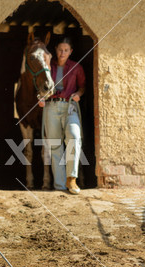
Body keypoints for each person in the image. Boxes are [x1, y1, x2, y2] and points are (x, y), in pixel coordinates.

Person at [40, 37, 85, 194]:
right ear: (55, 50)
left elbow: (82, 87)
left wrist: (78, 94)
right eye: (60, 50)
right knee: (55, 145)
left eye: (66, 50)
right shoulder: (48, 67)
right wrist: (40, 97)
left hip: (69, 105)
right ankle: (59, 185)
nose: (62, 53)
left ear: (70, 51)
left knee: (74, 135)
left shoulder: (76, 67)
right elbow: (40, 85)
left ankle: (71, 179)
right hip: (51, 106)